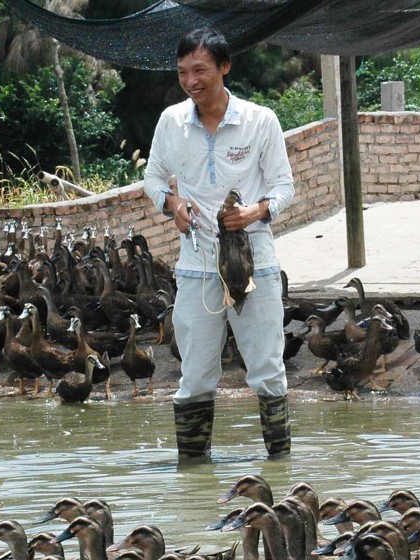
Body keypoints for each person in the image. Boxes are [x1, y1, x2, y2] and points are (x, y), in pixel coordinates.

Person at [143, 28, 295, 460]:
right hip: (195, 267)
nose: (191, 80)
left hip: (255, 265)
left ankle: (280, 474)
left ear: (224, 67)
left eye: (200, 70)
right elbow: (153, 179)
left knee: (267, 371)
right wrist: (172, 203)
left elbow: (285, 187)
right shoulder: (172, 122)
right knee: (194, 376)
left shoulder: (259, 120)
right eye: (183, 72)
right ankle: (193, 479)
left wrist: (254, 212)